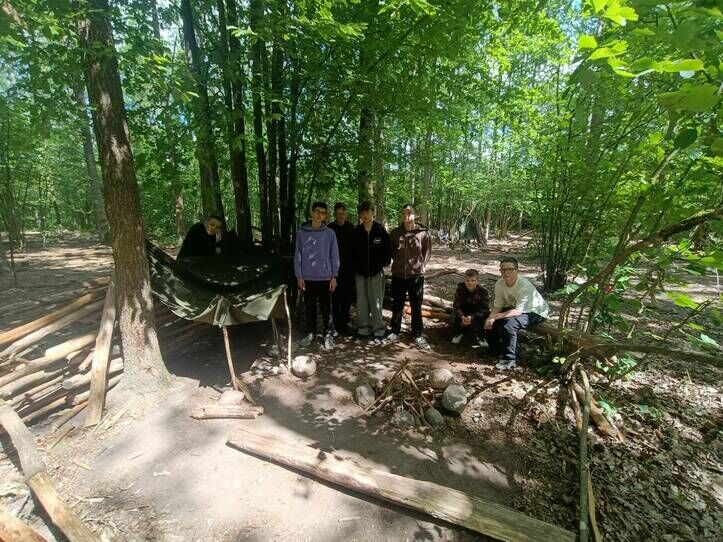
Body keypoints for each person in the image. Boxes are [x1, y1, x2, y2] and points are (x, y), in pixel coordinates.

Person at [484, 256, 549, 370]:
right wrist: (490, 318)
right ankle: (495, 350)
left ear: (516, 270)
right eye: (503, 270)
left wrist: (496, 316)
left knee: (509, 323)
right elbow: (498, 305)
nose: (506, 272)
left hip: (536, 311)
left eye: (510, 269)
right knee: (487, 318)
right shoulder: (499, 284)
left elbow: (518, 311)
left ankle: (509, 359)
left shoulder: (523, 285)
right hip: (516, 308)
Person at [385, 203, 432, 351]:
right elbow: (391, 252)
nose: (406, 216)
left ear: (414, 215)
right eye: (404, 213)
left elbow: (427, 253)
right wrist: (398, 264)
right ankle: (394, 331)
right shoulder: (395, 233)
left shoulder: (423, 233)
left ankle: (417, 334)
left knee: (416, 306)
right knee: (397, 305)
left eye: (409, 213)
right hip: (398, 275)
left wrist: (421, 266)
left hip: (416, 276)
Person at [294, 202, 339, 350]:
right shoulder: (302, 233)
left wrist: (334, 276)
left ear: (325, 216)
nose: (320, 215)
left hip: (325, 278)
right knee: (310, 308)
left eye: (323, 212)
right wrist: (299, 276)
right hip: (307, 278)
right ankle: (311, 333)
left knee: (327, 309)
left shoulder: (330, 233)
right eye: (317, 211)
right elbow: (298, 255)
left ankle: (328, 333)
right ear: (312, 213)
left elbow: (334, 256)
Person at [353, 200, 391, 339]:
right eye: (362, 213)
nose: (365, 215)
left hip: (376, 273)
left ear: (372, 212)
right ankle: (363, 327)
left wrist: (383, 263)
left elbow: (388, 250)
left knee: (377, 301)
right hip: (360, 273)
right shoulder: (357, 231)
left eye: (367, 212)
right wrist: (356, 267)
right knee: (361, 301)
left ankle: (378, 328)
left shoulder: (380, 230)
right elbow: (352, 253)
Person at [328, 202, 356, 335]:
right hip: (334, 270)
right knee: (335, 297)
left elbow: (356, 249)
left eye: (343, 213)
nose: (341, 216)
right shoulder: (330, 228)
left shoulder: (351, 228)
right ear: (335, 214)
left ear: (346, 214)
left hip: (348, 269)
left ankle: (344, 322)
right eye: (338, 213)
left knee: (347, 297)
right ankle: (335, 323)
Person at [450, 269, 490, 345]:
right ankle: (459, 332)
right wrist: (462, 316)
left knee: (485, 316)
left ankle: (480, 335)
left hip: (476, 314)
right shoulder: (460, 289)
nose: (470, 283)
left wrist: (472, 317)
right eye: (467, 280)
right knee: (452, 317)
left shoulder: (483, 291)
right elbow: (456, 306)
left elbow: (485, 308)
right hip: (464, 313)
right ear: (464, 281)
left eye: (473, 280)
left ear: (477, 281)